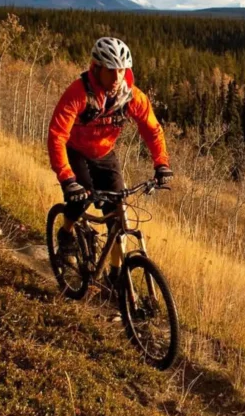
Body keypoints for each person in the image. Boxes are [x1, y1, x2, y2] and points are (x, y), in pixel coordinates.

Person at [47, 36, 173, 260]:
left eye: (122, 70)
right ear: (96, 68)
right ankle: (66, 233)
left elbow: (152, 130)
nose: (117, 77)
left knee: (117, 216)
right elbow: (57, 135)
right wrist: (67, 178)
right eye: (111, 70)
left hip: (105, 153)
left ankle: (116, 275)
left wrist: (161, 163)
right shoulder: (78, 93)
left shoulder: (132, 97)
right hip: (75, 150)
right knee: (80, 197)